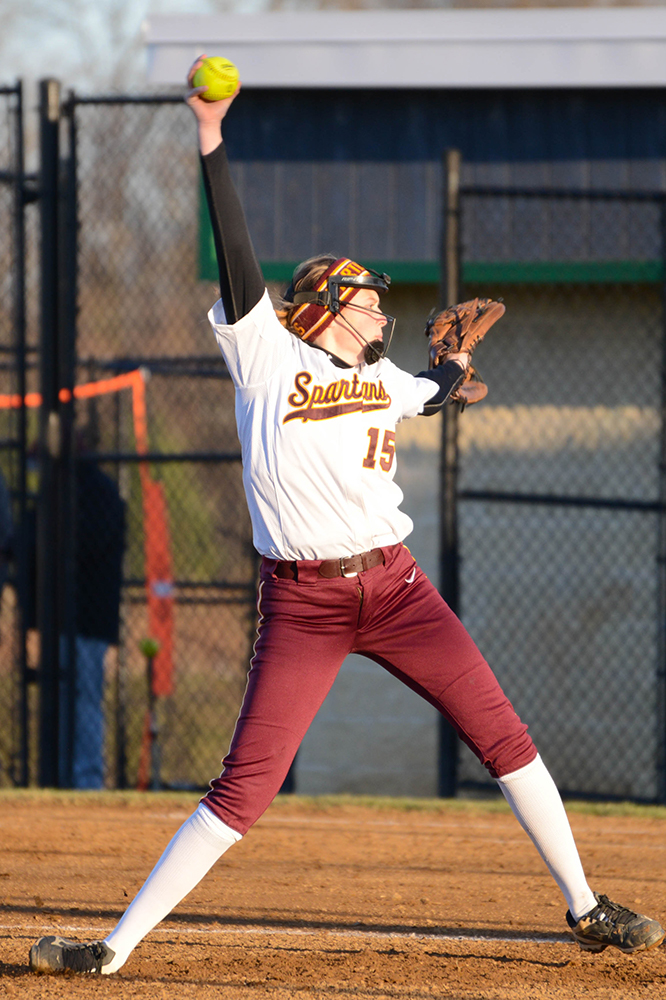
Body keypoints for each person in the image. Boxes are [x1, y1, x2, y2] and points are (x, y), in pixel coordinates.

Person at [29, 58, 665, 975]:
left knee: (506, 738)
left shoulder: (382, 377)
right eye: (369, 300)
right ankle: (113, 948)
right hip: (304, 604)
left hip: (399, 589)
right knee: (245, 788)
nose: (383, 312)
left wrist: (447, 374)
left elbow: (434, 390)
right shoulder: (265, 355)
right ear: (325, 309)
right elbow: (236, 245)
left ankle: (586, 904)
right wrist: (210, 134)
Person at [59, 450, 126, 788]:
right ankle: (65, 776)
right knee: (66, 698)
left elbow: (90, 543)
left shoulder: (97, 490)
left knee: (85, 697)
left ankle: (87, 778)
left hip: (90, 619)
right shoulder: (59, 487)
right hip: (64, 619)